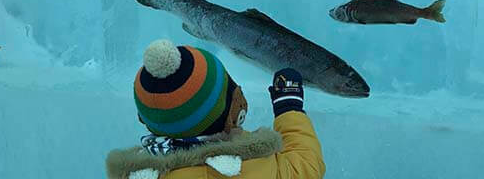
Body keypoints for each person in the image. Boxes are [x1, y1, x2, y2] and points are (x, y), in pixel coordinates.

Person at [106, 39, 326, 179]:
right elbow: (305, 166)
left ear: (145, 120)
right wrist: (289, 107)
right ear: (231, 112)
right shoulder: (255, 168)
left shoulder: (139, 175)